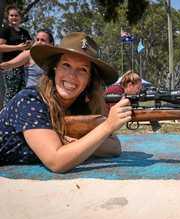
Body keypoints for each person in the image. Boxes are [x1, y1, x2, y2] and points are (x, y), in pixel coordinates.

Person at [0, 32, 132, 173]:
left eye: (82, 69)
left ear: (90, 80)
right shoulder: (30, 99)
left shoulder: (79, 105)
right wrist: (107, 126)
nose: (71, 75)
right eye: (66, 65)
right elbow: (56, 161)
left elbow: (115, 148)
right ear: (54, 69)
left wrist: (77, 141)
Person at [0, 5, 32, 105]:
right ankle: (5, 118)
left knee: (22, 94)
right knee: (10, 95)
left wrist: (29, 46)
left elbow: (29, 47)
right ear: (8, 17)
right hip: (10, 67)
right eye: (11, 15)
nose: (14, 17)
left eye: (16, 15)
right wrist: (18, 47)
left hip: (24, 68)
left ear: (20, 18)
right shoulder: (6, 30)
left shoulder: (25, 32)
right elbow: (0, 47)